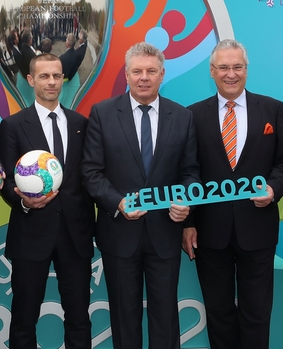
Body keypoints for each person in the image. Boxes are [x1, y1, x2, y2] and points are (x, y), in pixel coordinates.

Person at [82, 42, 199, 349]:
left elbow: (190, 172)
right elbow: (91, 172)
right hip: (119, 233)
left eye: (151, 71)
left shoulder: (182, 116)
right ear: (126, 74)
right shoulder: (103, 114)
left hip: (165, 233)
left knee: (165, 317)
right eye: (137, 71)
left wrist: (185, 202)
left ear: (162, 74)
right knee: (124, 316)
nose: (143, 77)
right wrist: (118, 202)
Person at [182, 39, 283, 349]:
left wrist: (273, 189)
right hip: (210, 232)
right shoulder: (193, 115)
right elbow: (189, 170)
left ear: (246, 70)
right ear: (212, 71)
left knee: (257, 313)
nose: (230, 74)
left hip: (257, 228)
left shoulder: (272, 108)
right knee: (218, 313)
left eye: (237, 67)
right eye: (223, 68)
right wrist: (189, 222)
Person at [0, 53, 94, 349]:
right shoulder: (13, 126)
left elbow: (89, 175)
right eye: (44, 76)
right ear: (30, 80)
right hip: (30, 235)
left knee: (79, 317)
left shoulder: (82, 123)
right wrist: (25, 203)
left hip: (75, 236)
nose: (51, 82)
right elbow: (5, 181)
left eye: (57, 76)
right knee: (24, 318)